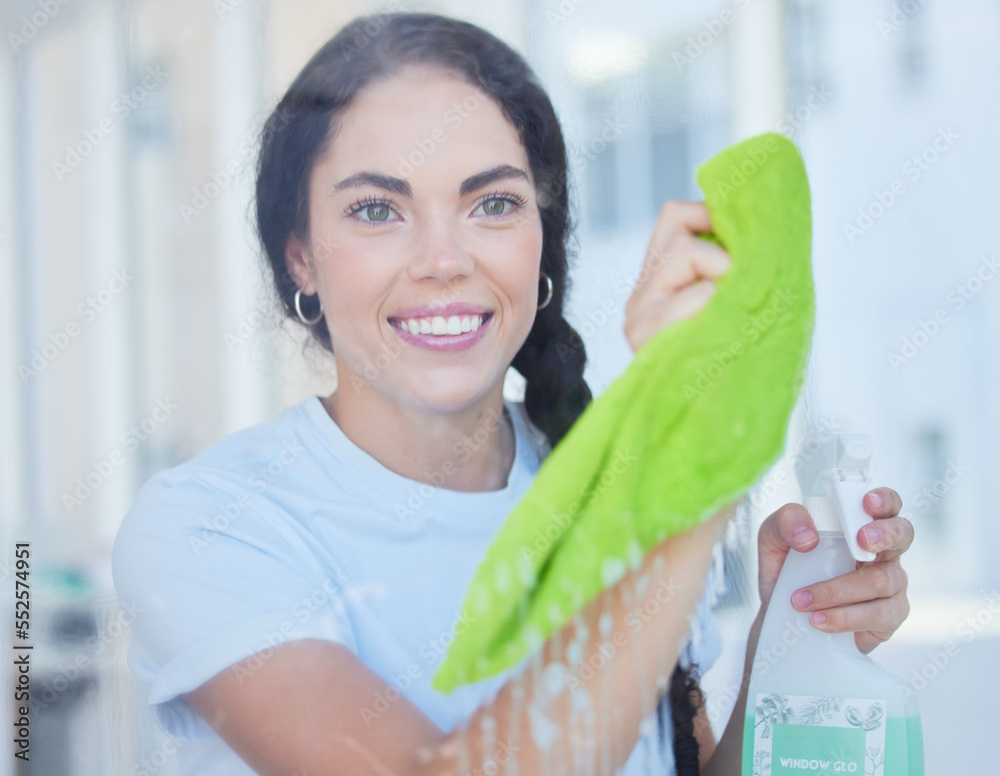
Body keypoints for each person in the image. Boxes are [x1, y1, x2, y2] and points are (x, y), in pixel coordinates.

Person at [111, 12, 914, 776]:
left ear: (543, 242)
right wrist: (689, 475)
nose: (442, 259)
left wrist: (792, 647)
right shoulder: (209, 525)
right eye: (376, 210)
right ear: (301, 261)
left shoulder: (609, 478)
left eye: (492, 203)